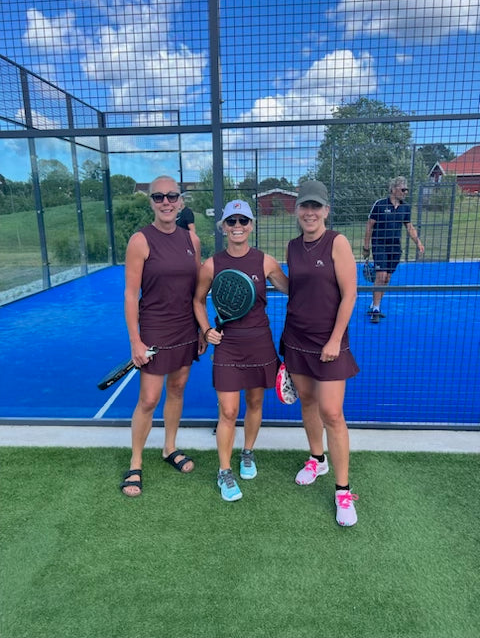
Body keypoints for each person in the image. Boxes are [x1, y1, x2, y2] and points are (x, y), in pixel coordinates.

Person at [193, 200, 288, 502]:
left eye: (242, 221)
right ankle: (224, 471)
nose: (237, 227)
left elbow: (294, 289)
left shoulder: (266, 262)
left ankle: (247, 453)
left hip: (261, 343)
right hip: (228, 347)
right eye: (231, 222)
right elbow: (197, 300)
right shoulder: (211, 264)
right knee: (229, 410)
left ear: (251, 225)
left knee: (256, 402)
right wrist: (207, 329)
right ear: (223, 227)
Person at [120, 175, 206, 497]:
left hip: (186, 327)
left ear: (181, 201)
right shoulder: (140, 241)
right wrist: (136, 340)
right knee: (149, 399)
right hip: (155, 329)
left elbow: (197, 290)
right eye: (159, 197)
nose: (166, 202)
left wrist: (200, 327)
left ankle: (169, 448)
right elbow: (130, 295)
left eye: (172, 196)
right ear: (151, 202)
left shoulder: (192, 241)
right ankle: (136, 461)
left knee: (178, 388)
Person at [280, 180, 359, 527]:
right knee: (308, 404)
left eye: (316, 207)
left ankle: (343, 490)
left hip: (329, 343)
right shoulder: (292, 247)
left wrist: (334, 339)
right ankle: (317, 459)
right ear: (297, 210)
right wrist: (271, 273)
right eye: (304, 207)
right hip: (295, 337)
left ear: (326, 210)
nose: (309, 213)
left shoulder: (337, 242)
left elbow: (350, 295)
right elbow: (295, 288)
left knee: (332, 412)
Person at [363, 176, 425, 323]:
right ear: (393, 189)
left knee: (387, 278)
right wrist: (366, 246)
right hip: (379, 245)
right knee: (381, 275)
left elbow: (409, 227)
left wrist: (418, 242)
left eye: (406, 190)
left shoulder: (405, 207)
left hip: (395, 248)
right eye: (403, 189)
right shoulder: (379, 204)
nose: (405, 192)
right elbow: (369, 225)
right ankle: (377, 309)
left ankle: (373, 304)